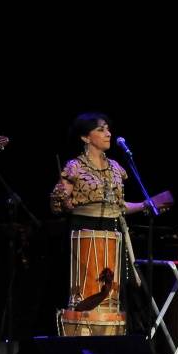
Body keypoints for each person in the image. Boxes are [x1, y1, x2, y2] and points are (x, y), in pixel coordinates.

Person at [50, 113, 157, 335]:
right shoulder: (74, 167)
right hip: (84, 230)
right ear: (85, 138)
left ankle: (112, 335)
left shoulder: (117, 168)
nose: (108, 134)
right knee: (87, 288)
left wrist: (146, 204)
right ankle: (79, 332)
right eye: (101, 129)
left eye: (108, 128)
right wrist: (61, 200)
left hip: (113, 230)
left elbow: (119, 206)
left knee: (114, 292)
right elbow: (60, 205)